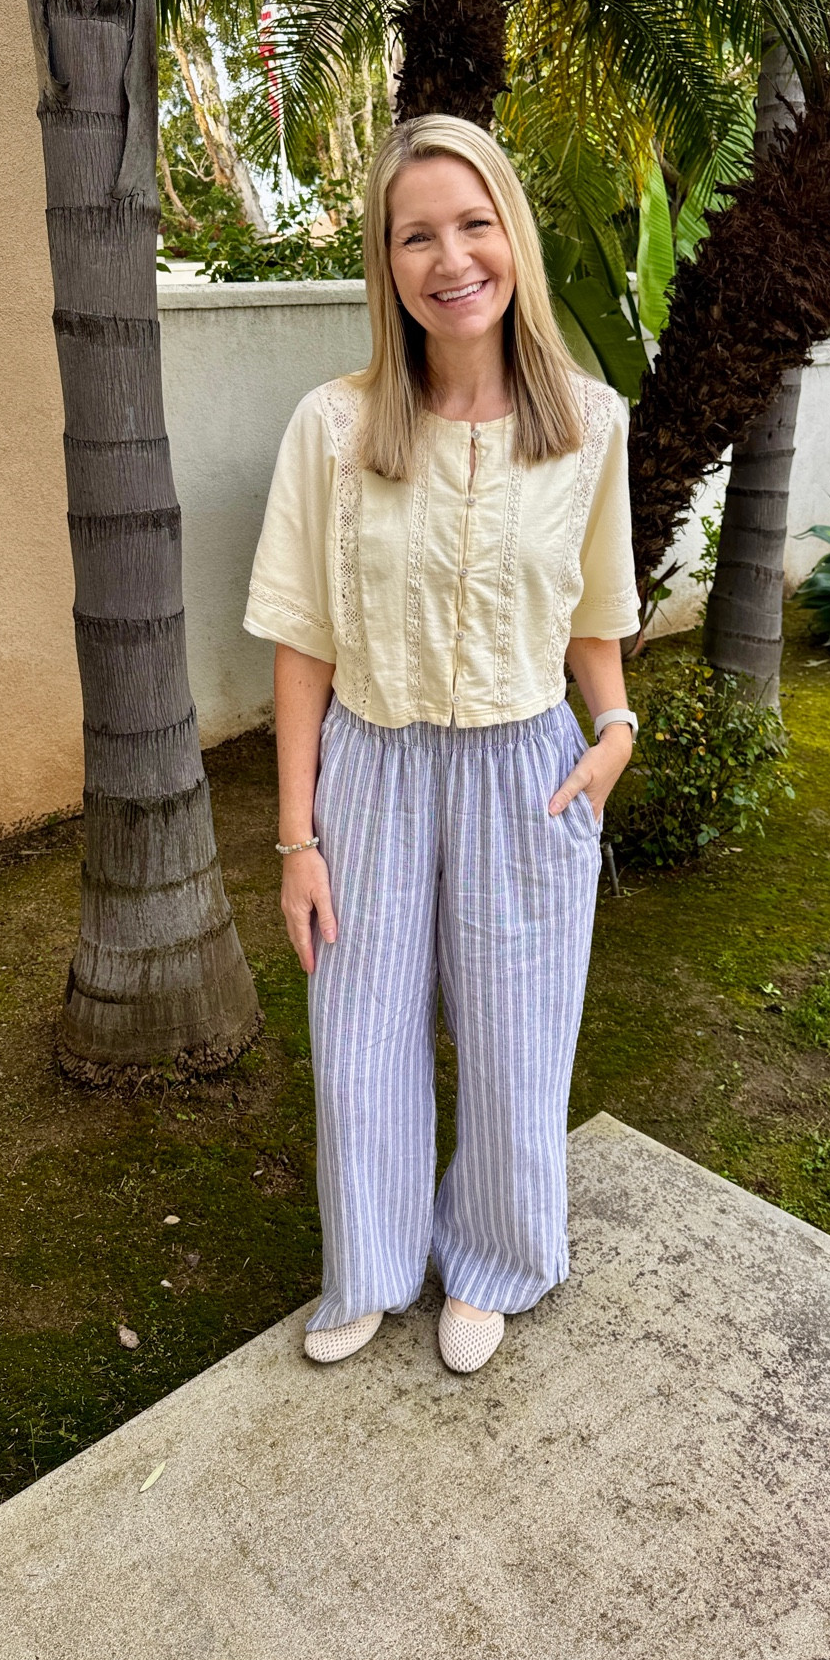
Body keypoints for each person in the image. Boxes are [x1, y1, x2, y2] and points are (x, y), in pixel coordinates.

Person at [244, 113, 640, 1375]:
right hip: (371, 763)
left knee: (522, 1036)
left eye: (473, 224)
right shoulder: (335, 428)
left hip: (528, 766)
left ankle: (498, 1261)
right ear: (387, 262)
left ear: (512, 237)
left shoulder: (587, 423)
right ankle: (369, 1263)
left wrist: (615, 728)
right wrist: (297, 837)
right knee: (358, 1038)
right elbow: (301, 644)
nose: (449, 256)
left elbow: (594, 616)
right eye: (416, 234)